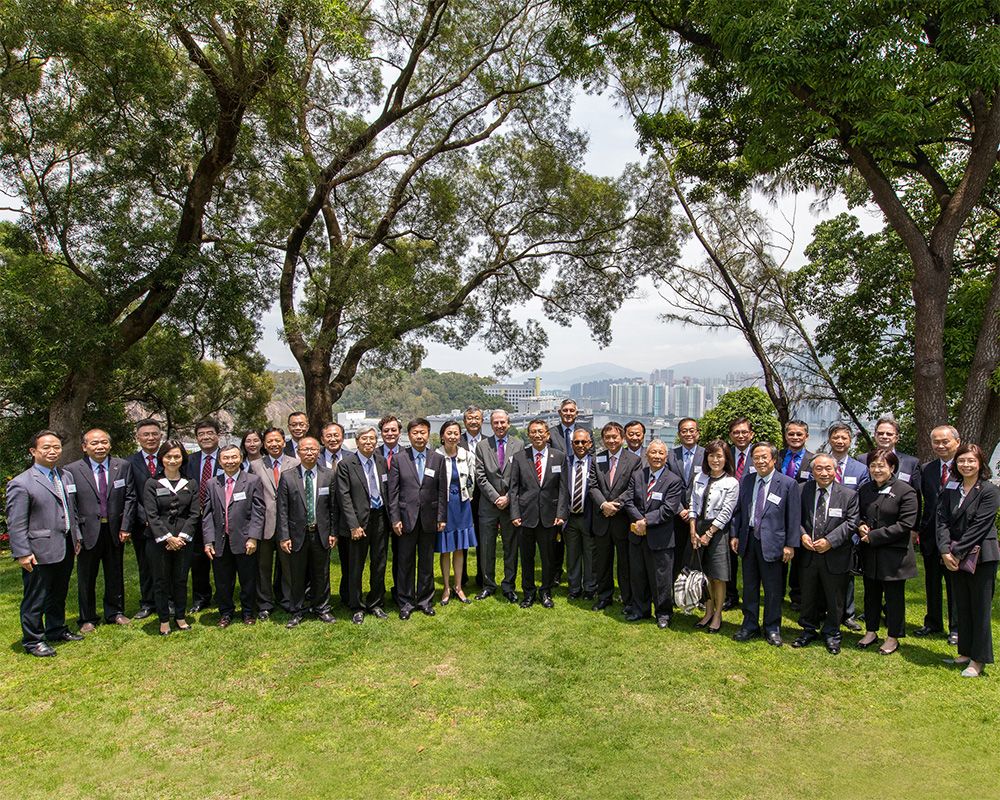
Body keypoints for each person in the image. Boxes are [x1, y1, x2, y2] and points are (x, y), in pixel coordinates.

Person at [6, 430, 84, 656]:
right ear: (33, 451)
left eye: (56, 447)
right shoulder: (22, 483)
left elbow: (72, 510)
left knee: (59, 592)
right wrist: (22, 552)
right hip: (38, 550)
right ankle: (33, 640)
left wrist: (76, 536)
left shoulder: (65, 476)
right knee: (36, 596)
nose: (53, 451)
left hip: (65, 545)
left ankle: (56, 629)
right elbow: (16, 522)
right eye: (46, 447)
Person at [936, 443, 1000, 678]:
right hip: (954, 555)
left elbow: (980, 527)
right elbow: (941, 520)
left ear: (980, 463)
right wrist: (944, 550)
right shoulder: (951, 487)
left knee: (980, 608)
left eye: (971, 461)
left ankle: (978, 660)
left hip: (982, 557)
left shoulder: (989, 491)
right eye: (962, 460)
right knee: (961, 605)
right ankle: (964, 652)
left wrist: (956, 551)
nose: (966, 465)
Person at [65, 428, 136, 633]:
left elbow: (130, 497)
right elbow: (71, 505)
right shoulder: (72, 470)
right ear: (84, 447)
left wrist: (126, 526)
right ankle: (87, 618)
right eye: (94, 443)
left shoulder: (122, 466)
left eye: (104, 442)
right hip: (87, 531)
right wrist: (76, 534)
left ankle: (115, 612)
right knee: (86, 576)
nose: (100, 447)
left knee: (115, 572)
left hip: (114, 529)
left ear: (110, 445)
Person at [730, 442, 801, 646]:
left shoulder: (787, 484)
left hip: (774, 543)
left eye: (764, 457)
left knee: (773, 589)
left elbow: (793, 517)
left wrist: (790, 545)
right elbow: (739, 510)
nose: (760, 461)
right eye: (756, 457)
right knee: (750, 587)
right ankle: (749, 624)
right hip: (749, 540)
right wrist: (735, 534)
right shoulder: (747, 480)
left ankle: (772, 628)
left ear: (774, 460)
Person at [792, 454, 860, 655]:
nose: (824, 473)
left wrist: (830, 541)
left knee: (835, 597)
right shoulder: (801, 490)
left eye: (828, 468)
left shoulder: (849, 495)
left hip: (835, 554)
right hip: (808, 553)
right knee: (808, 595)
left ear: (835, 470)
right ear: (812, 471)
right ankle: (808, 629)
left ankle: (832, 633)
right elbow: (794, 517)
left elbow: (852, 523)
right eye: (819, 469)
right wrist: (802, 535)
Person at [856, 448, 919, 656]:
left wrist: (874, 536)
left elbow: (905, 524)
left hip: (894, 555)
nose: (877, 470)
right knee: (871, 595)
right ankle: (871, 631)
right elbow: (859, 514)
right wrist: (860, 526)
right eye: (873, 465)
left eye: (881, 466)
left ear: (892, 467)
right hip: (870, 553)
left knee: (893, 598)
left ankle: (893, 637)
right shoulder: (865, 489)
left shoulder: (906, 491)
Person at [388, 418, 448, 619]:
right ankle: (405, 602)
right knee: (405, 562)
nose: (419, 436)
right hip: (406, 519)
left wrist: (441, 517)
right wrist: (395, 519)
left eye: (423, 432)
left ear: (428, 434)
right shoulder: (399, 459)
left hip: (429, 518)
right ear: (409, 435)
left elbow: (442, 491)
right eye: (415, 433)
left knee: (426, 561)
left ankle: (425, 601)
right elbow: (393, 493)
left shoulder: (437, 459)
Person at [276, 437, 338, 627]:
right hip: (297, 535)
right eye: (305, 449)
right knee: (297, 574)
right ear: (298, 452)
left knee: (322, 573)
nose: (309, 452)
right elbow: (282, 509)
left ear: (319, 452)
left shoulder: (328, 475)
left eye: (313, 449)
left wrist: (333, 532)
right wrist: (284, 536)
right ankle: (297, 610)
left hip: (321, 533)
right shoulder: (288, 476)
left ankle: (322, 608)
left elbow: (333, 507)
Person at [202, 444, 266, 626]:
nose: (230, 461)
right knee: (223, 580)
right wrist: (208, 541)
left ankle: (248, 612)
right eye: (226, 458)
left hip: (245, 540)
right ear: (220, 461)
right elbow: (207, 514)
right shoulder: (212, 483)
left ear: (240, 459)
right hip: (220, 541)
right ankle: (226, 613)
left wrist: (253, 537)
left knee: (248, 579)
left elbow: (258, 511)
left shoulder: (252, 481)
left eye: (234, 457)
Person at [623, 440, 684, 629]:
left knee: (661, 579)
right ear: (647, 455)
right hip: (638, 536)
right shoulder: (637, 476)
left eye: (660, 453)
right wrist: (639, 521)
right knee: (638, 575)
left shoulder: (673, 481)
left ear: (666, 457)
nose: (657, 456)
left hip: (661, 538)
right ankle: (640, 609)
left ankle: (663, 613)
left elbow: (669, 509)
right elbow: (628, 501)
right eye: (653, 453)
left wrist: (645, 521)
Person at [509, 418, 568, 608]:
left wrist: (561, 513)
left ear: (547, 435)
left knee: (548, 559)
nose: (537, 435)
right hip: (525, 516)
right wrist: (514, 514)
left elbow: (563, 489)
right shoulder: (520, 457)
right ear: (528, 435)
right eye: (533, 432)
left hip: (550, 517)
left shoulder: (559, 457)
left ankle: (546, 592)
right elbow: (514, 489)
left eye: (541, 431)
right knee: (527, 558)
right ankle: (528, 593)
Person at [144, 440, 199, 635]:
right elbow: (151, 515)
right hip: (159, 542)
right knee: (161, 581)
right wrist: (168, 538)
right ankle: (164, 620)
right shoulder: (152, 483)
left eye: (177, 456)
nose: (173, 460)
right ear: (162, 459)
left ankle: (180, 617)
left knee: (181, 580)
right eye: (168, 456)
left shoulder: (191, 483)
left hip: (184, 541)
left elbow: (194, 514)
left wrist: (181, 538)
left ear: (183, 458)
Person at [337, 424, 391, 624]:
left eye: (372, 439)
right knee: (355, 565)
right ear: (357, 441)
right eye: (364, 439)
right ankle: (357, 605)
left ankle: (375, 602)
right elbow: (343, 497)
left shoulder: (381, 461)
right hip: (358, 522)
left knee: (379, 562)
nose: (368, 442)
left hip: (380, 518)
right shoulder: (346, 464)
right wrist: (353, 525)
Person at [588, 421, 642, 613]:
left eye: (615, 437)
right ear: (603, 439)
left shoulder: (634, 460)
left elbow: (633, 488)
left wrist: (615, 506)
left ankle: (628, 600)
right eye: (607, 437)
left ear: (622, 438)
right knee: (602, 562)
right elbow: (592, 485)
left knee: (625, 563)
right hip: (602, 518)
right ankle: (604, 597)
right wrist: (604, 504)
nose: (611, 441)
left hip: (622, 519)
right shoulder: (597, 459)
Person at [687, 439, 739, 633]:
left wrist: (709, 534)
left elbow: (726, 512)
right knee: (704, 574)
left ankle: (718, 614)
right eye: (711, 455)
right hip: (698, 526)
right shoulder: (699, 477)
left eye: (719, 456)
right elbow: (693, 503)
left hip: (717, 531)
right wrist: (693, 529)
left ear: (726, 459)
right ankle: (707, 611)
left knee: (718, 576)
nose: (715, 460)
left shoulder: (731, 482)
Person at [915, 425, 961, 643]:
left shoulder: (965, 466)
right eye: (936, 442)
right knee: (932, 581)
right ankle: (932, 622)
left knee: (954, 584)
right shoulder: (927, 469)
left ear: (957, 442)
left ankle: (956, 628)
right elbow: (921, 500)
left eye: (945, 441)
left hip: (955, 536)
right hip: (930, 536)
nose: (940, 445)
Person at [249, 427, 299, 619]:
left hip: (289, 523)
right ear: (264, 444)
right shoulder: (255, 465)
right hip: (264, 523)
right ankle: (265, 603)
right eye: (269, 441)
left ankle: (288, 600)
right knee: (263, 567)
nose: (274, 444)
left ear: (284, 442)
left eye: (277, 440)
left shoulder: (295, 462)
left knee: (289, 566)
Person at [474, 409, 519, 602]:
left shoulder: (518, 444)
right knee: (486, 548)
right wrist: (495, 498)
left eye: (503, 422)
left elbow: (519, 476)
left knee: (511, 547)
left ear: (508, 423)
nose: (499, 426)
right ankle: (488, 585)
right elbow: (480, 476)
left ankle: (509, 585)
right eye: (496, 423)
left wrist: (508, 497)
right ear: (491, 425)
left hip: (510, 506)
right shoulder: (482, 446)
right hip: (488, 506)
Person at [436, 420, 478, 605]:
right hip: (444, 505)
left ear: (460, 437)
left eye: (456, 433)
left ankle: (458, 586)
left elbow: (472, 479)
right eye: (449, 433)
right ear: (442, 436)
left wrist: (468, 496)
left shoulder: (467, 455)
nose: (452, 436)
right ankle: (446, 587)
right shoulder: (436, 456)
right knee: (446, 549)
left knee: (460, 548)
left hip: (462, 504)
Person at [184, 417, 223, 611]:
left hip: (221, 517)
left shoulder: (228, 457)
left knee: (222, 558)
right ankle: (201, 598)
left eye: (210, 433)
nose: (205, 437)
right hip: (196, 517)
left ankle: (223, 594)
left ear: (218, 435)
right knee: (197, 559)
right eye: (201, 434)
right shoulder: (189, 461)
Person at [126, 418, 164, 619]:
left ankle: (169, 600)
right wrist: (147, 517)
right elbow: (130, 494)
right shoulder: (128, 463)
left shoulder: (169, 458)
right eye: (146, 434)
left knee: (167, 563)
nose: (150, 438)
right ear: (138, 437)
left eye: (154, 434)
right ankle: (148, 602)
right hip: (142, 523)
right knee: (145, 563)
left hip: (167, 521)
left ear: (160, 436)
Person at [726, 417, 756, 609]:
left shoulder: (759, 454)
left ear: (751, 434)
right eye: (736, 432)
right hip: (727, 514)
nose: (741, 436)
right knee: (728, 559)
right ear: (731, 435)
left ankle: (751, 598)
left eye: (744, 432)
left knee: (750, 560)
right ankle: (730, 595)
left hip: (751, 514)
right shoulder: (725, 453)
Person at [563, 428, 595, 599]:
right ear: (572, 444)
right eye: (577, 442)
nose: (580, 445)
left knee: (590, 555)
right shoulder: (565, 462)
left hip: (589, 517)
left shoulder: (596, 463)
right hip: (570, 518)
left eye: (584, 442)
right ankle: (574, 588)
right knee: (573, 555)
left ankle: (590, 589)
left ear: (590, 443)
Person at [673, 417, 704, 587]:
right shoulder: (670, 455)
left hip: (699, 515)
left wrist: (692, 510)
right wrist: (679, 509)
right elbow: (666, 484)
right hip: (676, 514)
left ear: (698, 433)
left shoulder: (706, 455)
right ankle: (677, 589)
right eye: (684, 431)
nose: (688, 434)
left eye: (692, 430)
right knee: (677, 554)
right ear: (679, 434)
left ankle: (696, 591)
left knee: (696, 555)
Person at [459, 406, 484, 589]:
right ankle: (462, 577)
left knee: (483, 539)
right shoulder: (456, 441)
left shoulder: (489, 442)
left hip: (484, 498)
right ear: (464, 421)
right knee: (462, 538)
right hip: (463, 498)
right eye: (470, 418)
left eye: (477, 418)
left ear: (482, 420)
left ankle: (483, 577)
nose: (473, 421)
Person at [380, 414, 403, 603]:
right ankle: (377, 593)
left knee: (400, 554)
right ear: (381, 433)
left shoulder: (407, 454)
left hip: (401, 513)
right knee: (379, 556)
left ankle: (399, 590)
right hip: (379, 513)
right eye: (386, 430)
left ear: (399, 432)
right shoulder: (373, 453)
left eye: (393, 430)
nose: (390, 433)